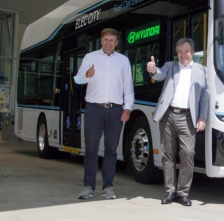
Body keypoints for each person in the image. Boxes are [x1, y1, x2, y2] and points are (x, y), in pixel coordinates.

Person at [147, 38, 209, 206]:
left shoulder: (202, 71)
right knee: (167, 154)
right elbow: (159, 74)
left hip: (188, 117)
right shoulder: (171, 66)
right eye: (180, 52)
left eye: (186, 52)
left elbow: (205, 96)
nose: (183, 55)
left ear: (192, 52)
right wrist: (153, 70)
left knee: (188, 153)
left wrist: (202, 117)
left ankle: (182, 192)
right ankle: (169, 191)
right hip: (167, 115)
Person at [74, 28, 134, 200]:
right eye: (106, 40)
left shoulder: (123, 61)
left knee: (111, 150)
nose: (108, 43)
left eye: (112, 40)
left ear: (117, 43)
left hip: (115, 110)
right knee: (91, 150)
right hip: (94, 109)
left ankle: (108, 187)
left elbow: (128, 87)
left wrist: (127, 108)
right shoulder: (90, 58)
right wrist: (87, 75)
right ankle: (88, 187)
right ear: (101, 41)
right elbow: (78, 79)